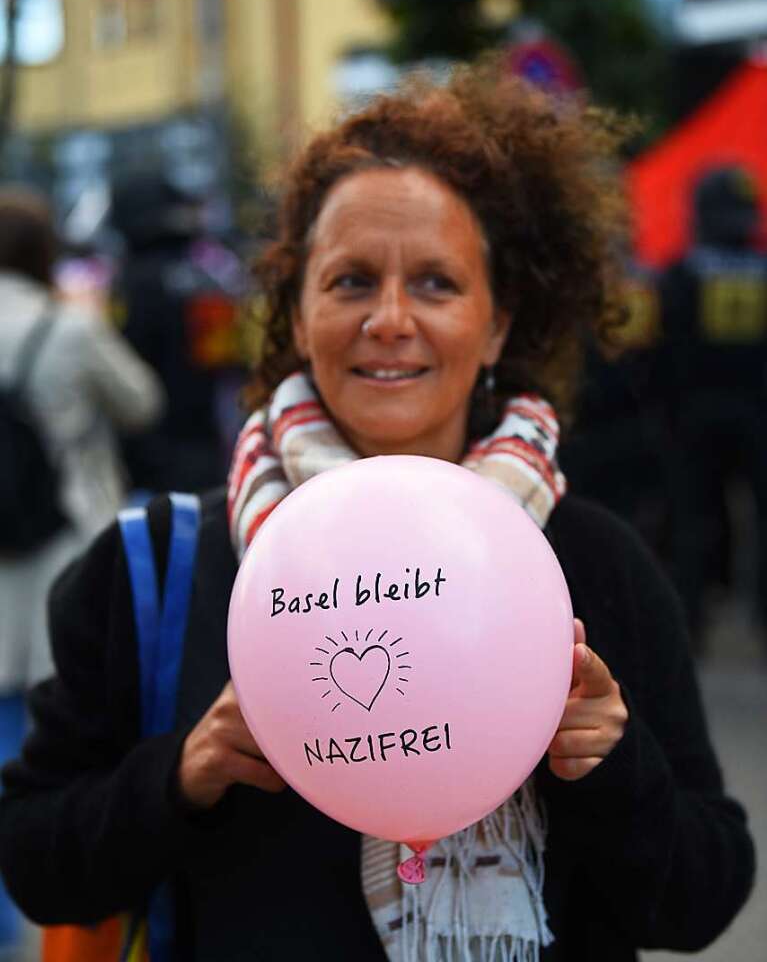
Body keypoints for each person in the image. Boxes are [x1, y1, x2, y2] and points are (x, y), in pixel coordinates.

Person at [0, 71, 755, 962]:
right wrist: (181, 774)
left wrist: (609, 765)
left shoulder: (592, 562)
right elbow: (36, 862)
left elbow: (702, 900)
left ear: (498, 324)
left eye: (435, 283)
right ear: (296, 313)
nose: (389, 320)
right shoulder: (158, 567)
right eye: (351, 281)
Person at [0, 186, 164, 952]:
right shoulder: (67, 328)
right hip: (68, 552)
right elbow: (141, 402)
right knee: (53, 740)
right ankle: (38, 927)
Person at [658, 165, 767, 653]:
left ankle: (692, 625)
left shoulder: (680, 275)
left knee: (692, 522)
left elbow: (663, 354)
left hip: (694, 419)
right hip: (757, 415)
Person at [110, 172, 248, 495]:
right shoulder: (205, 278)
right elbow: (229, 360)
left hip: (149, 451)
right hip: (208, 440)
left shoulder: (130, 285)